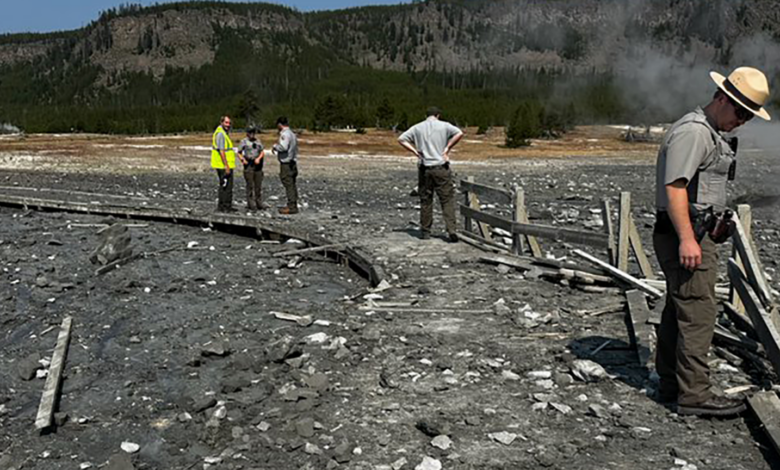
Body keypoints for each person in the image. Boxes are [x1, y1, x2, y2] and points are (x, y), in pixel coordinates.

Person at [653, 67, 771, 417]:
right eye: (741, 112)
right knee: (699, 312)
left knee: (681, 309)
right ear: (722, 98)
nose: (743, 120)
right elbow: (675, 188)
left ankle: (672, 384)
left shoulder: (707, 132)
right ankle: (695, 396)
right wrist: (689, 238)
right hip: (686, 234)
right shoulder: (695, 133)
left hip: (692, 231)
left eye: (749, 115)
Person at [398, 106, 464, 242]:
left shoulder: (417, 127)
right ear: (438, 115)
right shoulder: (445, 126)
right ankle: (451, 230)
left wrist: (415, 151)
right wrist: (447, 148)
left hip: (424, 167)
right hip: (441, 166)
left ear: (426, 115)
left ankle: (425, 231)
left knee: (426, 200)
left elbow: (401, 139)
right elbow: (459, 133)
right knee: (447, 200)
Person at [272, 116, 299, 214]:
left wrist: (275, 147)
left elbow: (283, 147)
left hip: (286, 163)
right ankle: (293, 203)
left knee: (288, 183)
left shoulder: (285, 134)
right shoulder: (292, 134)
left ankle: (292, 206)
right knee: (292, 183)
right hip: (292, 162)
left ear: (280, 124)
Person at [237, 126, 266, 211]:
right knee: (250, 185)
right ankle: (250, 203)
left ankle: (259, 202)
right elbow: (239, 152)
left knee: (258, 185)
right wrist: (242, 159)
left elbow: (262, 152)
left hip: (258, 164)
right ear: (247, 133)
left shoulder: (258, 141)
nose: (252, 134)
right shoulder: (244, 142)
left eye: (253, 133)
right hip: (248, 164)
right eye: (250, 133)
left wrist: (259, 158)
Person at [211, 115, 237, 212]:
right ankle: (225, 206)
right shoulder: (221, 134)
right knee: (226, 186)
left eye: (229, 123)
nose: (228, 125)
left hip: (223, 164)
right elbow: (222, 151)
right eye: (226, 123)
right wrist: (226, 165)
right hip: (223, 165)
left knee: (224, 185)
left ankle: (224, 206)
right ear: (221, 122)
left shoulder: (223, 133)